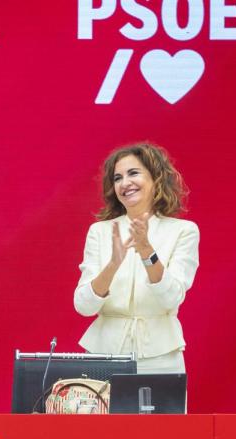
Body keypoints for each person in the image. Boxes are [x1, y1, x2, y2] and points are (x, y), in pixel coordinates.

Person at [73, 143, 200, 374]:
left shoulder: (183, 230)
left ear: (156, 179)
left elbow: (171, 298)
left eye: (133, 173)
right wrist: (112, 265)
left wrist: (147, 253)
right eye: (117, 178)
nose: (125, 183)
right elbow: (83, 305)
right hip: (103, 354)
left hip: (161, 357)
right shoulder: (100, 231)